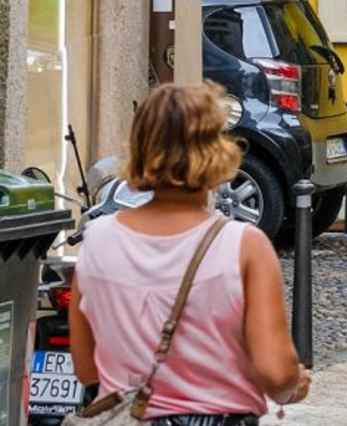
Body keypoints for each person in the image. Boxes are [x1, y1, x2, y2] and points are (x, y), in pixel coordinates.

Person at [71, 83, 309, 424]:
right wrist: (294, 383)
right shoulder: (244, 246)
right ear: (218, 149)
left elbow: (86, 369)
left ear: (139, 149)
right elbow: (275, 371)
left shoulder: (97, 240)